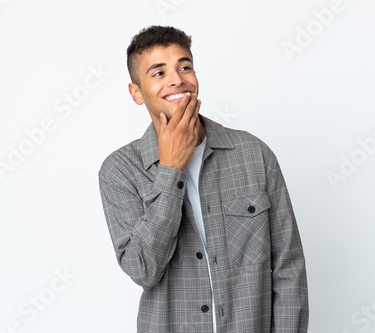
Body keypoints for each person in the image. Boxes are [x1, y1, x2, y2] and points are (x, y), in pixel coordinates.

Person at [98, 25, 309, 333]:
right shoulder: (119, 170)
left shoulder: (253, 154)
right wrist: (171, 169)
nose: (177, 79)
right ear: (137, 93)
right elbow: (142, 269)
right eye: (158, 73)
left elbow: (288, 267)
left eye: (185, 67)